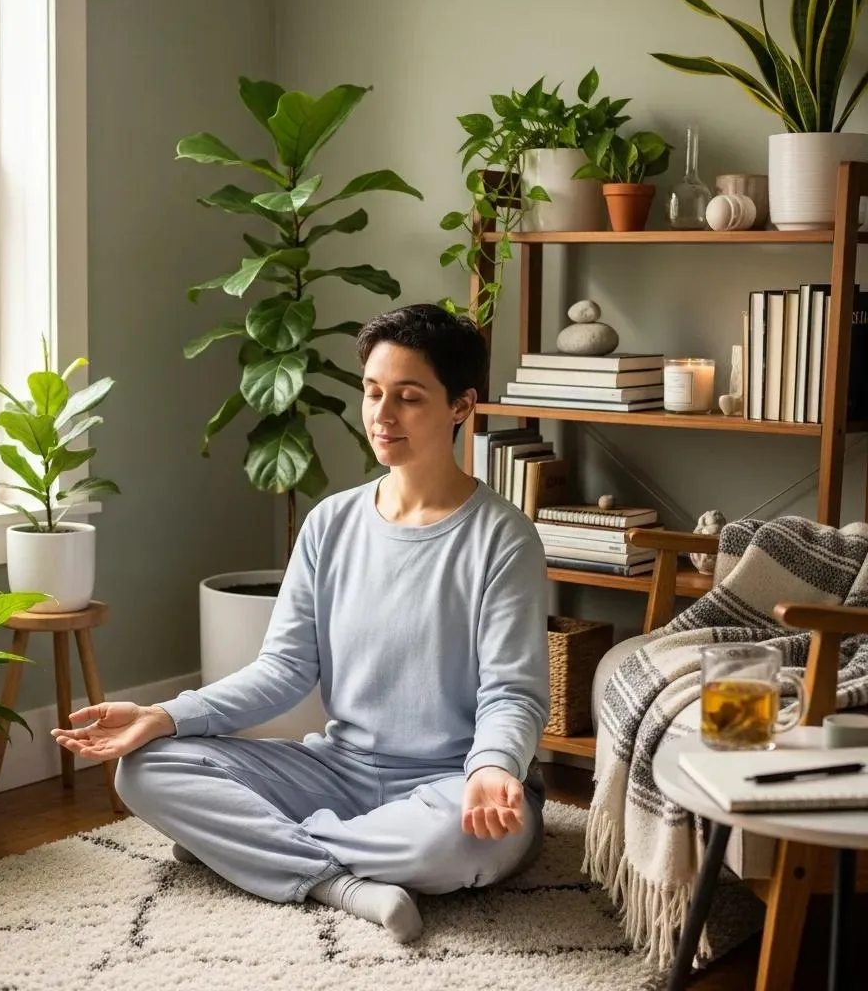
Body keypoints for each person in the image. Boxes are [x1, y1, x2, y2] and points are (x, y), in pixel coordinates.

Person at [51, 303, 549, 943]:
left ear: (461, 406)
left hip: (456, 785)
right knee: (146, 768)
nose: (381, 415)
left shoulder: (504, 538)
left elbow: (512, 692)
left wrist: (492, 767)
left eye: (408, 397)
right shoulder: (331, 523)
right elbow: (285, 670)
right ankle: (335, 883)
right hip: (338, 772)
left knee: (454, 843)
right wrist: (166, 715)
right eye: (372, 392)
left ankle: (245, 848)